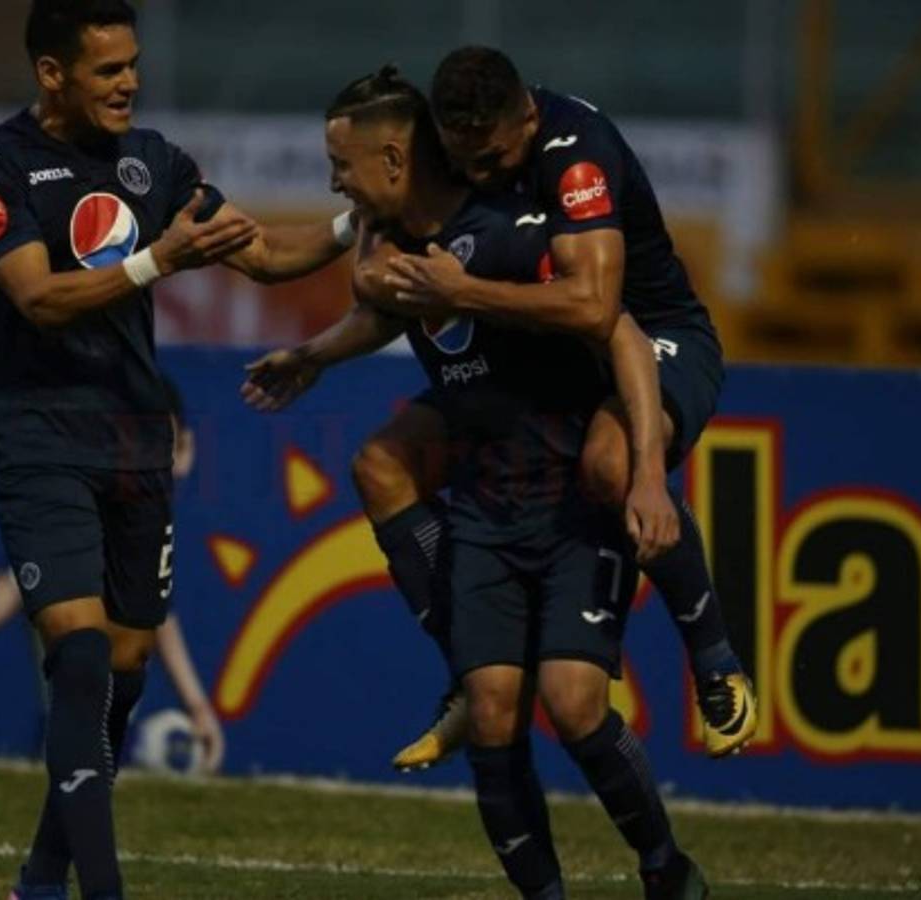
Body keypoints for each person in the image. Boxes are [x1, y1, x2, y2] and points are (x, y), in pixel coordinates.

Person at [244, 67, 707, 900]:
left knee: (570, 706)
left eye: (340, 165)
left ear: (394, 159)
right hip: (487, 508)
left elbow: (621, 333)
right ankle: (469, 680)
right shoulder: (387, 254)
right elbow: (336, 279)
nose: (333, 181)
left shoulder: (511, 233)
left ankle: (667, 870)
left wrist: (642, 474)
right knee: (494, 708)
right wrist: (312, 354)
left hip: (567, 500)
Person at [0, 3, 356, 898]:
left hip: (133, 432)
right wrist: (156, 264)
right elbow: (38, 299)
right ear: (52, 73)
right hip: (37, 429)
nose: (129, 81)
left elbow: (266, 253)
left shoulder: (155, 162)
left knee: (124, 669)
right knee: (82, 655)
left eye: (131, 64)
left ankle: (41, 874)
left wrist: (353, 224)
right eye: (106, 70)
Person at [355, 46, 755, 768]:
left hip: (654, 339)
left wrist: (460, 292)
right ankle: (466, 665)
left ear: (528, 119)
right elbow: (370, 243)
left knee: (610, 461)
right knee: (382, 464)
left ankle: (716, 657)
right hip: (542, 365)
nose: (482, 176)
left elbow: (595, 306)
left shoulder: (575, 156)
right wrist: (310, 352)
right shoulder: (463, 152)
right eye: (465, 161)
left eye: (495, 159)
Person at [0, 381, 225, 772]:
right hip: (61, 753)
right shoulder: (67, 532)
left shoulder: (148, 540)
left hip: (115, 753)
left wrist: (198, 708)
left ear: (185, 451)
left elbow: (160, 619)